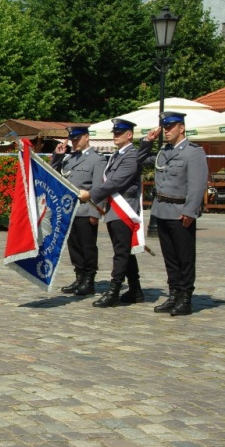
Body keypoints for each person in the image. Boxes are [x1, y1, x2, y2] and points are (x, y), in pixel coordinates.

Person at [139, 111, 209, 316]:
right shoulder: (164, 151)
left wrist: (190, 211)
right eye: (164, 128)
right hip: (162, 211)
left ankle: (186, 298)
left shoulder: (193, 152)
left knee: (184, 257)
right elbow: (140, 160)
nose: (166, 131)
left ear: (182, 128)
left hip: (180, 212)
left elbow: (197, 185)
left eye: (170, 127)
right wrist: (147, 141)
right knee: (170, 257)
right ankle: (174, 294)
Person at [78, 118, 144, 307]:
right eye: (114, 132)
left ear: (129, 135)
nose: (115, 135)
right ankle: (135, 289)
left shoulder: (131, 155)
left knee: (121, 252)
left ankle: (114, 290)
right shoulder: (117, 155)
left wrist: (91, 194)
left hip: (124, 208)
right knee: (126, 250)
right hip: (115, 207)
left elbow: (116, 182)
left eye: (119, 133)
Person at [52, 126, 107, 296]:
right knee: (73, 245)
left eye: (77, 138)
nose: (74, 142)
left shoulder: (97, 159)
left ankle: (89, 279)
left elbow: (99, 187)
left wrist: (96, 212)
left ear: (86, 137)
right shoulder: (69, 159)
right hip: (70, 210)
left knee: (87, 246)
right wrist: (58, 157)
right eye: (72, 139)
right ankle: (79, 276)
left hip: (86, 208)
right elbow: (54, 174)